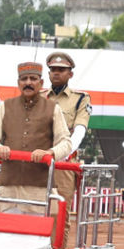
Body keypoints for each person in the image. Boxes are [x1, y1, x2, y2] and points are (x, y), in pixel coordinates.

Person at [0, 62, 72, 216]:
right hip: (9, 186)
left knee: (36, 237)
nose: (28, 83)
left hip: (39, 188)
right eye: (24, 79)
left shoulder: (53, 109)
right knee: (8, 235)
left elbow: (66, 143)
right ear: (18, 83)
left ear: (41, 83)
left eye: (33, 79)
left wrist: (50, 153)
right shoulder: (6, 107)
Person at [44, 51, 91, 218]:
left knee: (61, 213)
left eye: (61, 70)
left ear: (70, 74)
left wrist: (63, 153)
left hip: (63, 162)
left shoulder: (80, 99)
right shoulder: (39, 97)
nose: (56, 73)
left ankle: (58, 246)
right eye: (53, 69)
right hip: (40, 161)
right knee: (37, 209)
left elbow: (79, 130)